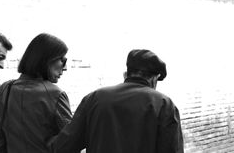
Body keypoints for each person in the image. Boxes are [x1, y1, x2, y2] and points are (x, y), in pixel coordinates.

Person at [50, 49, 184, 153]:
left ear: (127, 73)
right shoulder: (164, 105)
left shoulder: (94, 98)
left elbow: (64, 146)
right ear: (155, 78)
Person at [0, 33, 73, 153]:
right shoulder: (55, 94)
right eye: (63, 60)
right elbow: (70, 144)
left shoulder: (4, 89)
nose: (65, 68)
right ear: (47, 59)